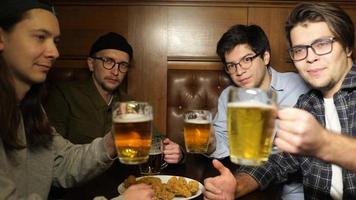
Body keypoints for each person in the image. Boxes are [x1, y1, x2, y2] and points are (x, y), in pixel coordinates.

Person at [0, 0, 153, 199]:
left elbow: (60, 163)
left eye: (55, 41)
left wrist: (111, 143)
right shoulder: (64, 95)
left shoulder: (31, 108)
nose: (54, 53)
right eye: (40, 37)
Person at [204, 2, 356, 199]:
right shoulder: (308, 103)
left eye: (322, 44)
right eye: (300, 50)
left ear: (347, 46)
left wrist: (324, 144)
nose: (310, 57)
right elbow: (277, 162)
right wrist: (236, 186)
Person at [205, 24, 309, 199]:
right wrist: (211, 143)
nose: (239, 71)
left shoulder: (301, 86)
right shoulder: (229, 96)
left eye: (247, 59)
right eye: (231, 65)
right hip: (250, 183)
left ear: (265, 57)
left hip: (298, 192)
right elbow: (222, 141)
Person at [45, 32, 183, 164]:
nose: (115, 71)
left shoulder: (129, 104)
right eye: (108, 61)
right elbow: (50, 154)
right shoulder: (64, 94)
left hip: (120, 184)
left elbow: (158, 141)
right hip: (75, 184)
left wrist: (178, 153)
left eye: (122, 65)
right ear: (91, 64)